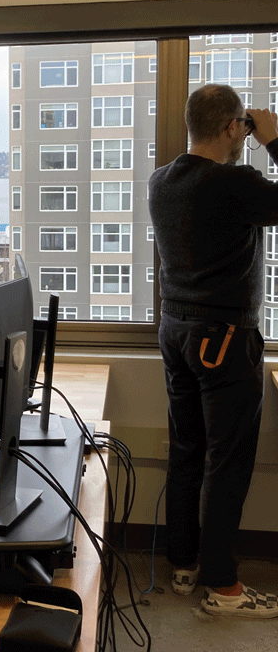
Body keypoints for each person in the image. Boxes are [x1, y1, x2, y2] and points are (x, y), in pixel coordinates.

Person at [149, 83, 278, 618]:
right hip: (223, 338)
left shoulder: (162, 180)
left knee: (188, 449)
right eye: (241, 128)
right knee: (228, 461)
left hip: (176, 331)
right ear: (232, 127)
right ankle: (223, 586)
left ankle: (184, 563)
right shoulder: (235, 183)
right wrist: (273, 140)